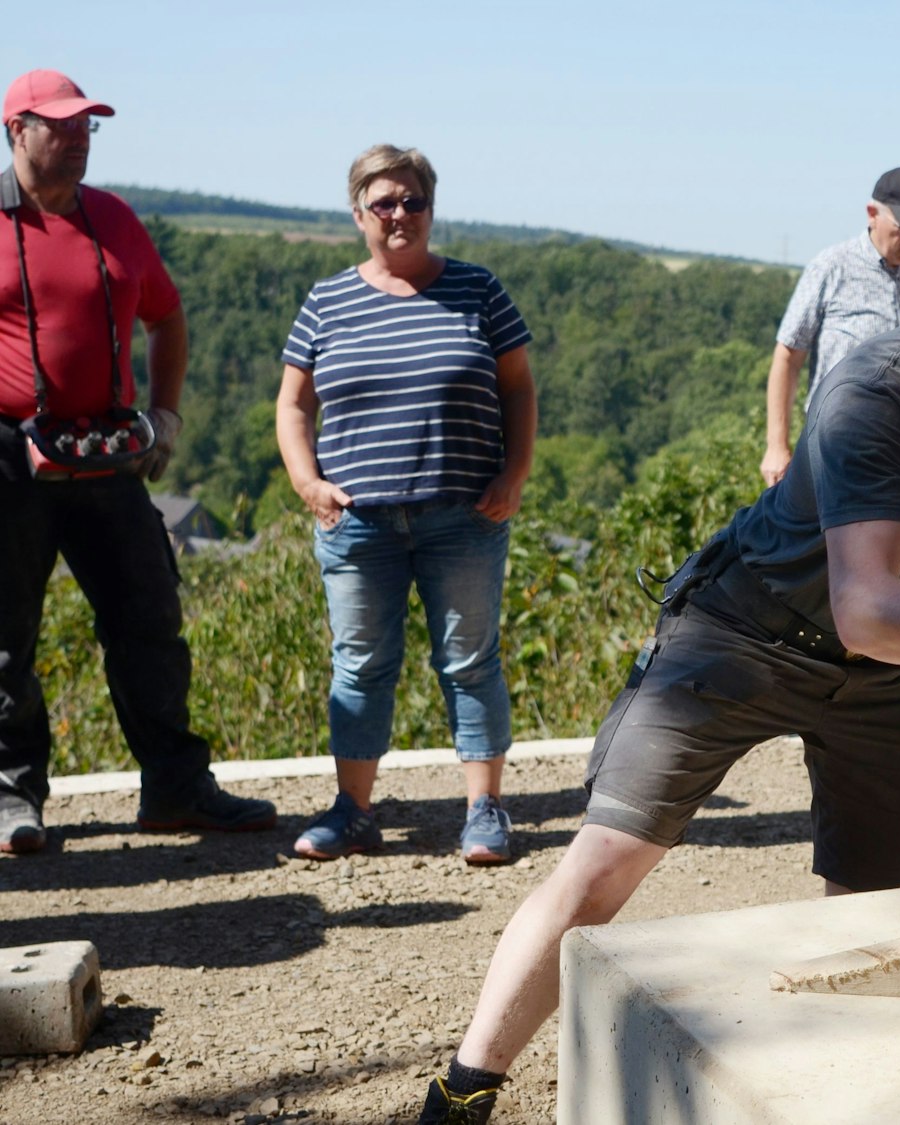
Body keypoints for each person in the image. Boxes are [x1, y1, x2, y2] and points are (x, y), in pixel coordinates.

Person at [415, 180, 900, 1123]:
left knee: (868, 915)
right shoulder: (877, 391)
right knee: (603, 864)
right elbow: (866, 606)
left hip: (875, 672)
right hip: (741, 636)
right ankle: (463, 1089)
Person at [0, 69, 276, 855]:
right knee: (5, 635)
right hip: (8, 456)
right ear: (16, 130)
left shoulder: (114, 218)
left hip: (109, 453)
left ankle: (176, 788)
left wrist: (167, 415)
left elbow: (167, 314)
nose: (79, 138)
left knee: (150, 619)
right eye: (61, 125)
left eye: (86, 125)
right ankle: (11, 795)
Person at [274, 144, 537, 866]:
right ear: (358, 213)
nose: (400, 214)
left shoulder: (479, 290)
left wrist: (515, 472)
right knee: (360, 666)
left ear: (431, 208)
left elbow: (518, 387)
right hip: (357, 521)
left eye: (413, 201)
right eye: (384, 202)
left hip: (466, 516)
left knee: (471, 662)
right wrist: (306, 481)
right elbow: (293, 404)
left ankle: (485, 809)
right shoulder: (327, 301)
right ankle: (353, 812)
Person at [762, 165, 900, 730]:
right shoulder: (831, 267)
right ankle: (807, 685)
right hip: (838, 449)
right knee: (826, 567)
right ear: (873, 213)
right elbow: (788, 355)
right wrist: (776, 443)